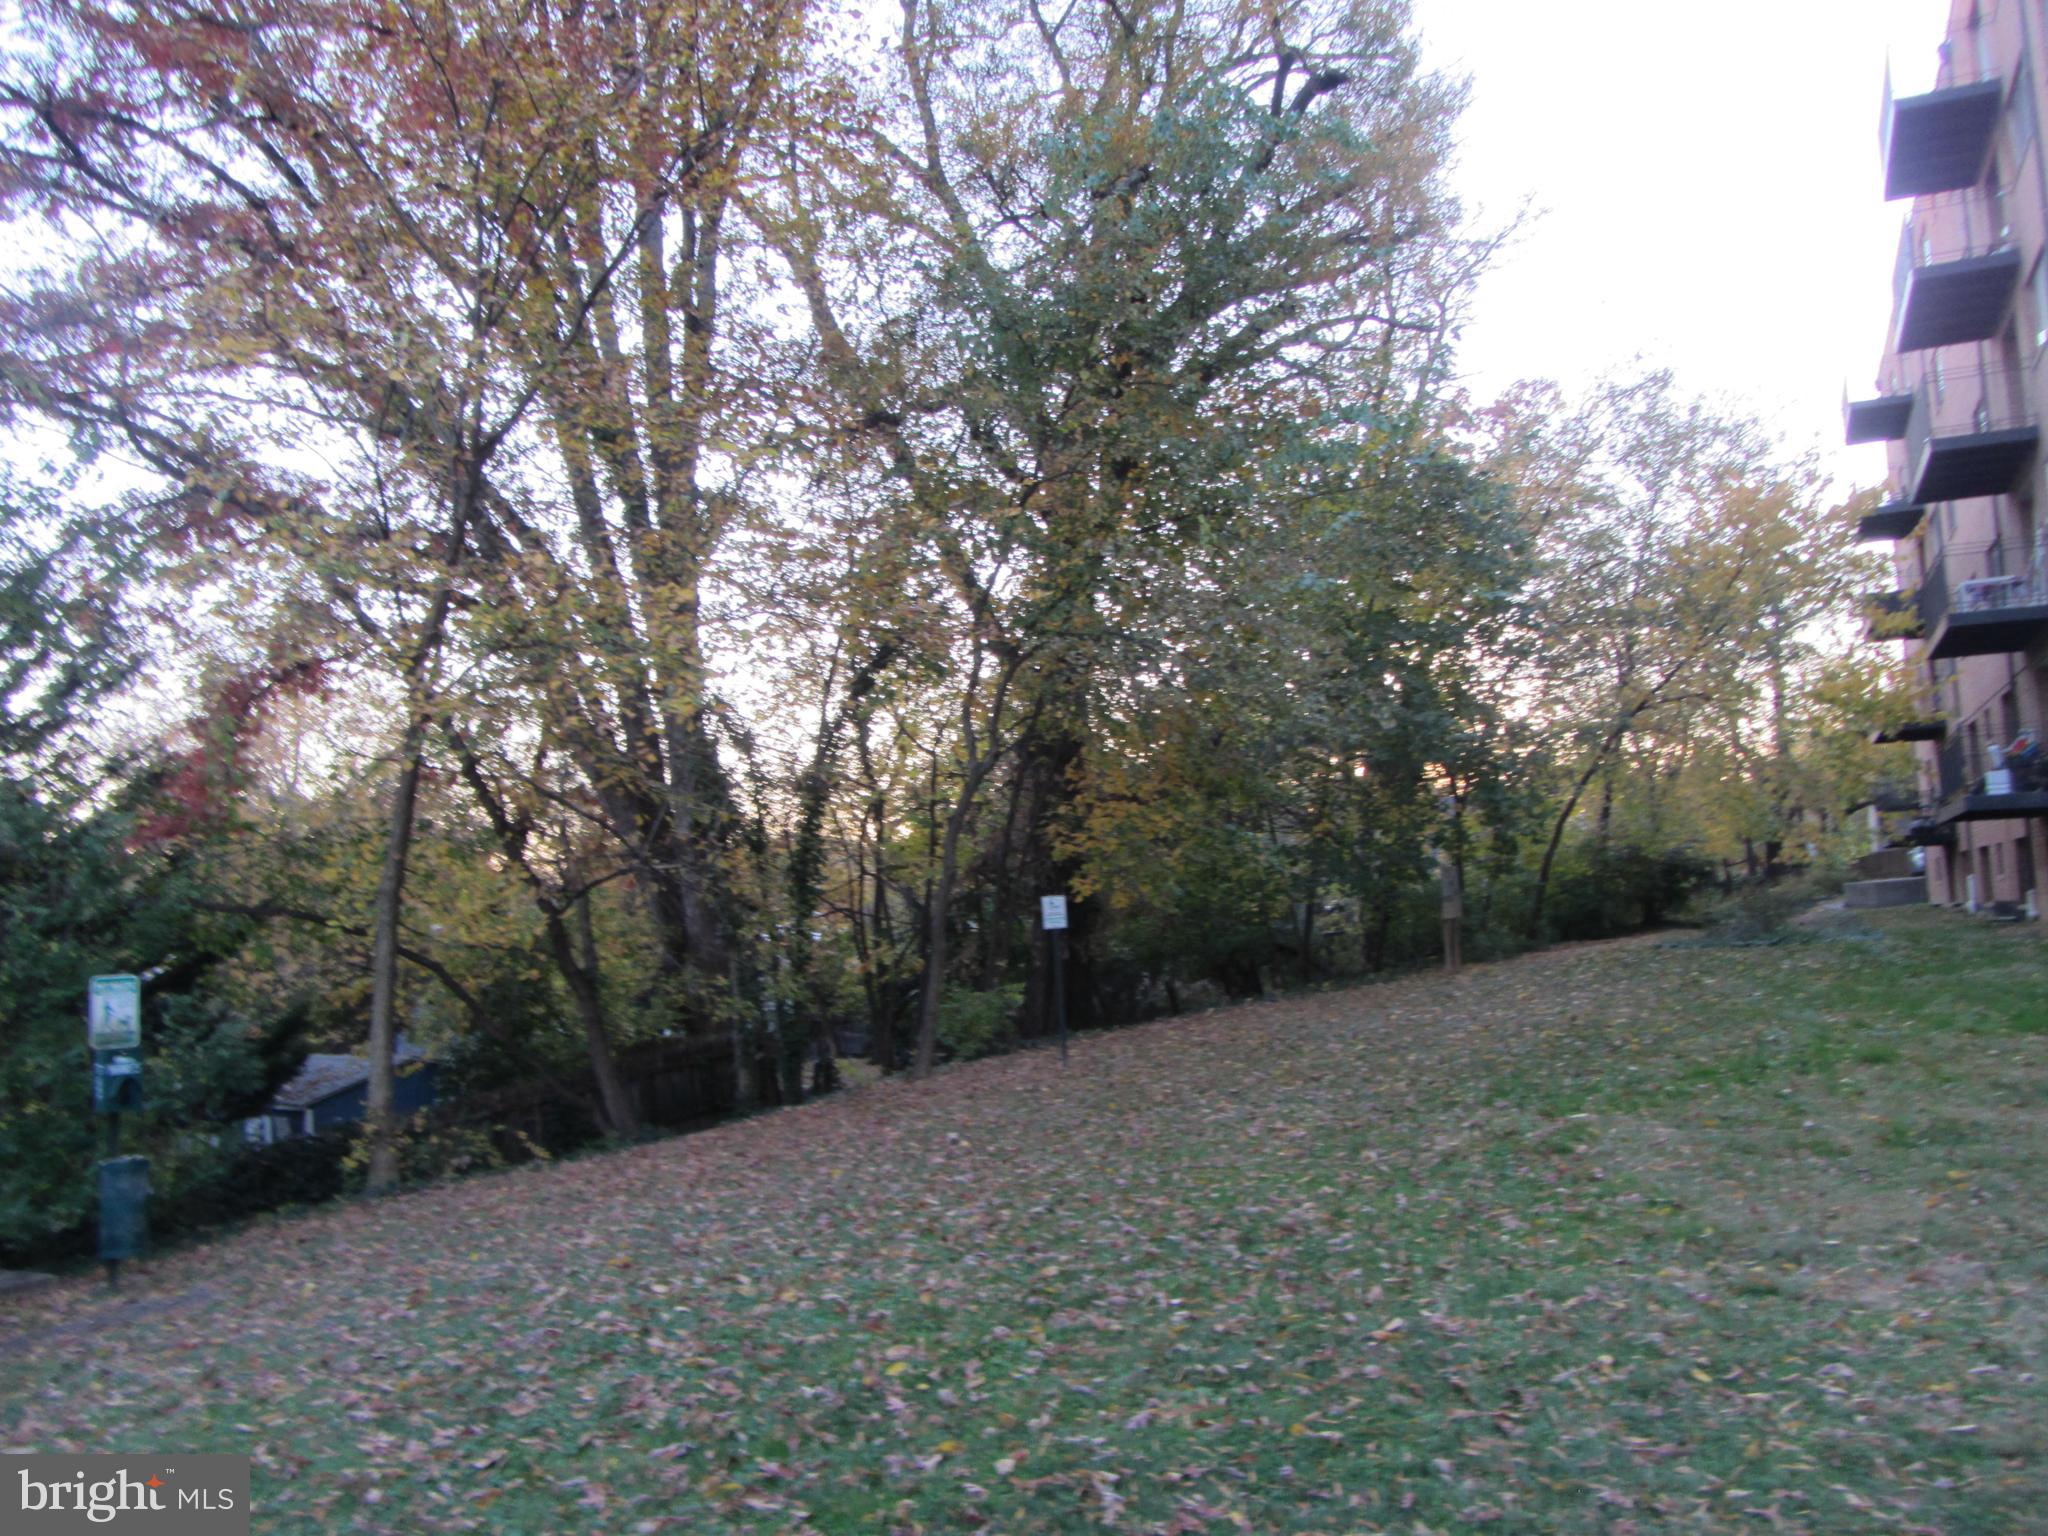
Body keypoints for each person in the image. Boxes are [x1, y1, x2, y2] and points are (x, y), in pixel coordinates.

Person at [1438, 848, 1463, 973]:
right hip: (1448, 903)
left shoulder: (1453, 870)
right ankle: (1450, 964)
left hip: (1453, 902)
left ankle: (1456, 964)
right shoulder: (1445, 869)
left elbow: (1454, 886)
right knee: (1449, 932)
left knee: (1454, 932)